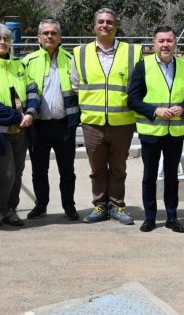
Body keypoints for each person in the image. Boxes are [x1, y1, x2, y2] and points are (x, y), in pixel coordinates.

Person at [71, 7, 142, 225]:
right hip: (92, 123)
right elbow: (75, 85)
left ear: (116, 26)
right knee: (97, 169)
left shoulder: (133, 52)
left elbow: (139, 85)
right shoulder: (80, 53)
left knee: (119, 168)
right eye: (100, 21)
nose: (105, 25)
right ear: (94, 26)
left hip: (123, 122)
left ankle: (117, 206)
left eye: (109, 22)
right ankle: (100, 206)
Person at [128, 26, 184, 233]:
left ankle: (172, 217)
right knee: (149, 176)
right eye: (161, 41)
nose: (165, 44)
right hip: (151, 132)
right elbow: (132, 99)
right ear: (154, 44)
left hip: (175, 133)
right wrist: (155, 110)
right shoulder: (143, 66)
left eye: (169, 40)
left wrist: (183, 108)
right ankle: (150, 217)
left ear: (175, 43)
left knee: (171, 177)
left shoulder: (183, 66)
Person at [0, 23, 39, 229]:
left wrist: (31, 112)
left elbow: (32, 90)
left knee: (17, 172)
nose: (2, 42)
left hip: (21, 130)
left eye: (6, 38)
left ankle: (11, 210)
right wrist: (16, 116)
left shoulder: (19, 65)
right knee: (6, 173)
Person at [22, 19, 80, 222]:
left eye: (53, 33)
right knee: (39, 170)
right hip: (38, 126)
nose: (49, 36)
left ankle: (69, 205)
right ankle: (41, 204)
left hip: (64, 125)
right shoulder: (27, 61)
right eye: (45, 33)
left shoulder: (71, 60)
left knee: (67, 170)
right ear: (39, 37)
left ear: (60, 37)